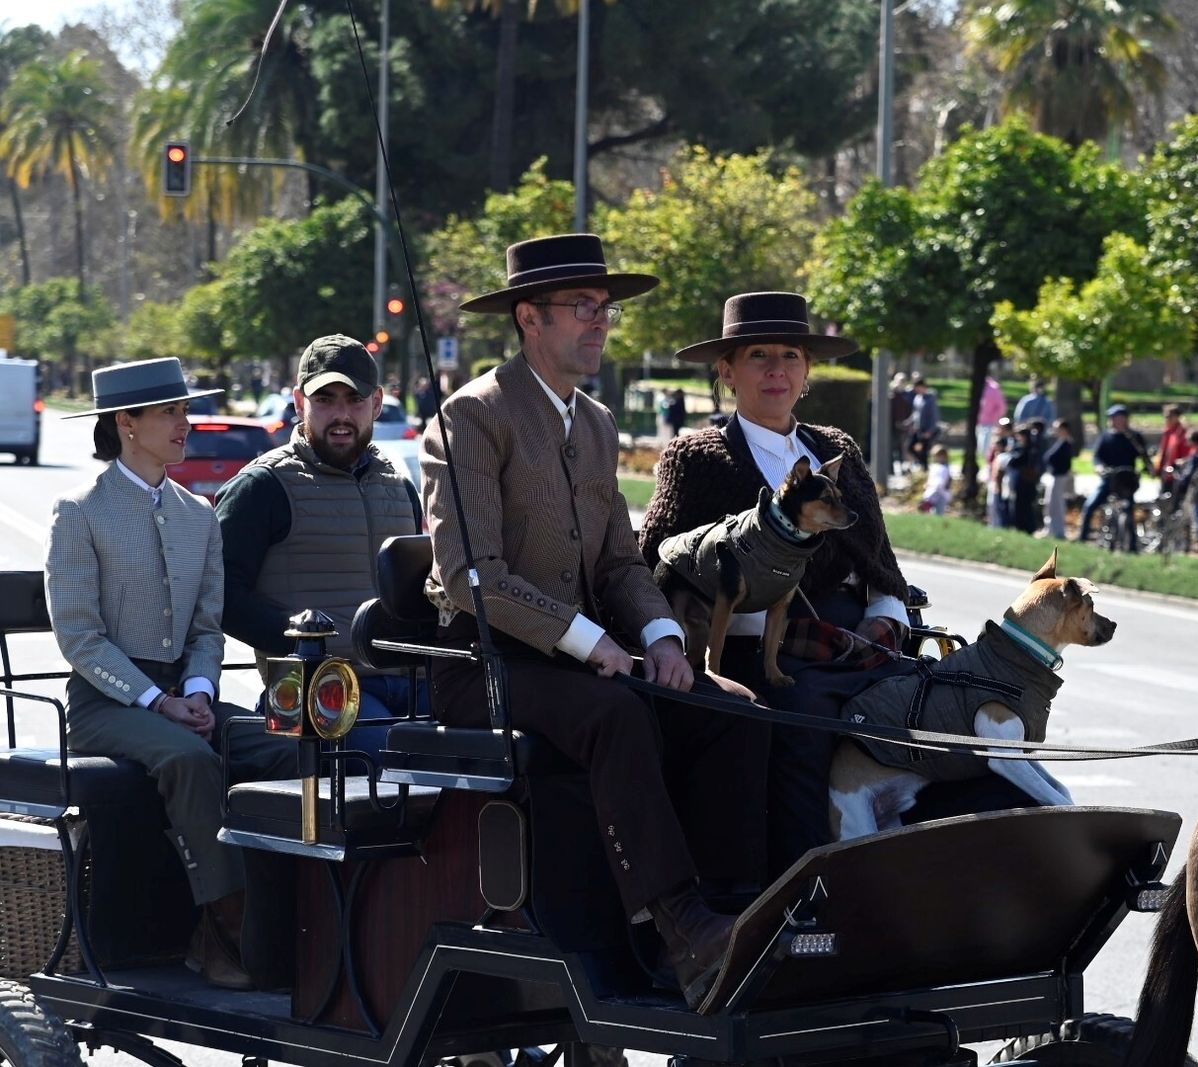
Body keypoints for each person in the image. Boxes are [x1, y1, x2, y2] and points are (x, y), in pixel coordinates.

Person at [422, 235, 766, 1006]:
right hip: (485, 669)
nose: (600, 322)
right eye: (583, 307)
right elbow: (470, 575)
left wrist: (664, 639)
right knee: (615, 714)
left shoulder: (600, 423)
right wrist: (589, 640)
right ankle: (680, 928)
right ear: (528, 318)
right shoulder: (471, 415)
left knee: (733, 712)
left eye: (604, 308)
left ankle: (737, 912)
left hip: (580, 660)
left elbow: (617, 561)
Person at [639, 291, 1036, 879]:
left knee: (955, 707)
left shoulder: (836, 450)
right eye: (758, 355)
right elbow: (656, 563)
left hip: (862, 642)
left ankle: (971, 872)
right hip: (757, 650)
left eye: (791, 356)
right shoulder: (697, 457)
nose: (777, 369)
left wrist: (885, 616)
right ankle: (810, 894)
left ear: (807, 371)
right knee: (802, 722)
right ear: (727, 371)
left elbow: (880, 560)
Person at [46, 358, 297, 990]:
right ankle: (224, 928)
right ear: (126, 422)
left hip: (185, 695)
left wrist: (199, 690)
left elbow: (207, 630)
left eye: (184, 410)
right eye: (170, 412)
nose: (184, 424)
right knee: (188, 759)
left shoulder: (198, 515)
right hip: (107, 704)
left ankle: (299, 917)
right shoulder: (81, 513)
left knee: (293, 745)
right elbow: (80, 639)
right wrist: (158, 699)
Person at [215, 336, 426, 751]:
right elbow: (219, 595)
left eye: (355, 399)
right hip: (315, 692)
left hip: (414, 680)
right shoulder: (262, 485)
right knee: (399, 759)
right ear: (298, 401)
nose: (341, 415)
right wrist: (303, 639)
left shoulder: (400, 486)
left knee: (491, 748)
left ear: (378, 403)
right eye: (325, 400)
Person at [1076, 404, 1152, 544]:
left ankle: (1132, 545)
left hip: (1126, 480)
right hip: (1109, 478)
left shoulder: (1133, 437)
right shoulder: (1106, 436)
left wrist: (1148, 469)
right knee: (1090, 506)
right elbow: (1097, 456)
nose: (1113, 420)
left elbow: (1144, 455)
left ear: (1124, 419)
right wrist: (1099, 467)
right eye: (1112, 417)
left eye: (1116, 417)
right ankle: (1082, 538)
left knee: (1128, 512)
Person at [1007, 419, 1046, 535]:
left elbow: (1015, 462)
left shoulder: (1028, 449)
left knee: (1024, 506)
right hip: (1026, 480)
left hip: (1026, 480)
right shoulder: (1028, 448)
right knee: (1023, 505)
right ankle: (1023, 527)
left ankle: (1026, 528)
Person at [1041, 419, 1078, 539]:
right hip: (1055, 475)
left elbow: (1059, 461)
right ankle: (1050, 528)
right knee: (1051, 504)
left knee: (1057, 505)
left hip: (1060, 476)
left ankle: (1058, 531)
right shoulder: (1059, 442)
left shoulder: (1066, 443)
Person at [1154, 404, 1193, 492]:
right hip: (1166, 474)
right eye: (1165, 417)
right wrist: (1159, 469)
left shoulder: (1182, 433)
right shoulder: (1168, 432)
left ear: (1176, 417)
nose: (1166, 419)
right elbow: (1163, 452)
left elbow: (1186, 455)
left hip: (1176, 476)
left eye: (1169, 417)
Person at [905, 375, 941, 469]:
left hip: (926, 430)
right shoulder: (917, 398)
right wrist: (909, 422)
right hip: (917, 429)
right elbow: (915, 413)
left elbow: (934, 416)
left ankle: (924, 469)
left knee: (923, 451)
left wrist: (930, 431)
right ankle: (921, 465)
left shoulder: (931, 399)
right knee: (910, 447)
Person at [986, 417, 1015, 529]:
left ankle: (999, 524)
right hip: (993, 473)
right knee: (991, 502)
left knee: (998, 501)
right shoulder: (997, 440)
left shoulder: (1009, 442)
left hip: (1002, 476)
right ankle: (993, 523)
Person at [976, 372, 1007, 459]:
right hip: (979, 422)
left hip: (990, 423)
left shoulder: (994, 388)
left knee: (987, 447)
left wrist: (994, 418)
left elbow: (1002, 407)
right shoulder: (979, 386)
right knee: (980, 447)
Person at [888, 372, 913, 473]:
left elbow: (911, 411)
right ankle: (890, 470)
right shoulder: (891, 395)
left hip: (905, 427)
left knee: (903, 450)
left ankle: (904, 470)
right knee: (891, 449)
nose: (901, 383)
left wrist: (908, 422)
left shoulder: (908, 396)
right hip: (892, 427)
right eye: (899, 381)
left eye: (903, 381)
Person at [921, 445, 953, 515]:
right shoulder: (934, 467)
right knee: (931, 511)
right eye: (938, 456)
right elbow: (931, 479)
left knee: (939, 512)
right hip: (933, 491)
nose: (940, 458)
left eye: (942, 456)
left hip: (942, 493)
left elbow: (946, 481)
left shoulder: (946, 468)